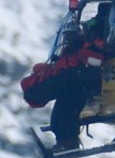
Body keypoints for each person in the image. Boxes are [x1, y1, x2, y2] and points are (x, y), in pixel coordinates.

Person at [20, 12, 106, 150]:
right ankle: (65, 140)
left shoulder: (97, 43)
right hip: (86, 79)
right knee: (65, 101)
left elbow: (97, 58)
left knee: (67, 99)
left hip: (93, 78)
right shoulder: (79, 47)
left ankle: (67, 140)